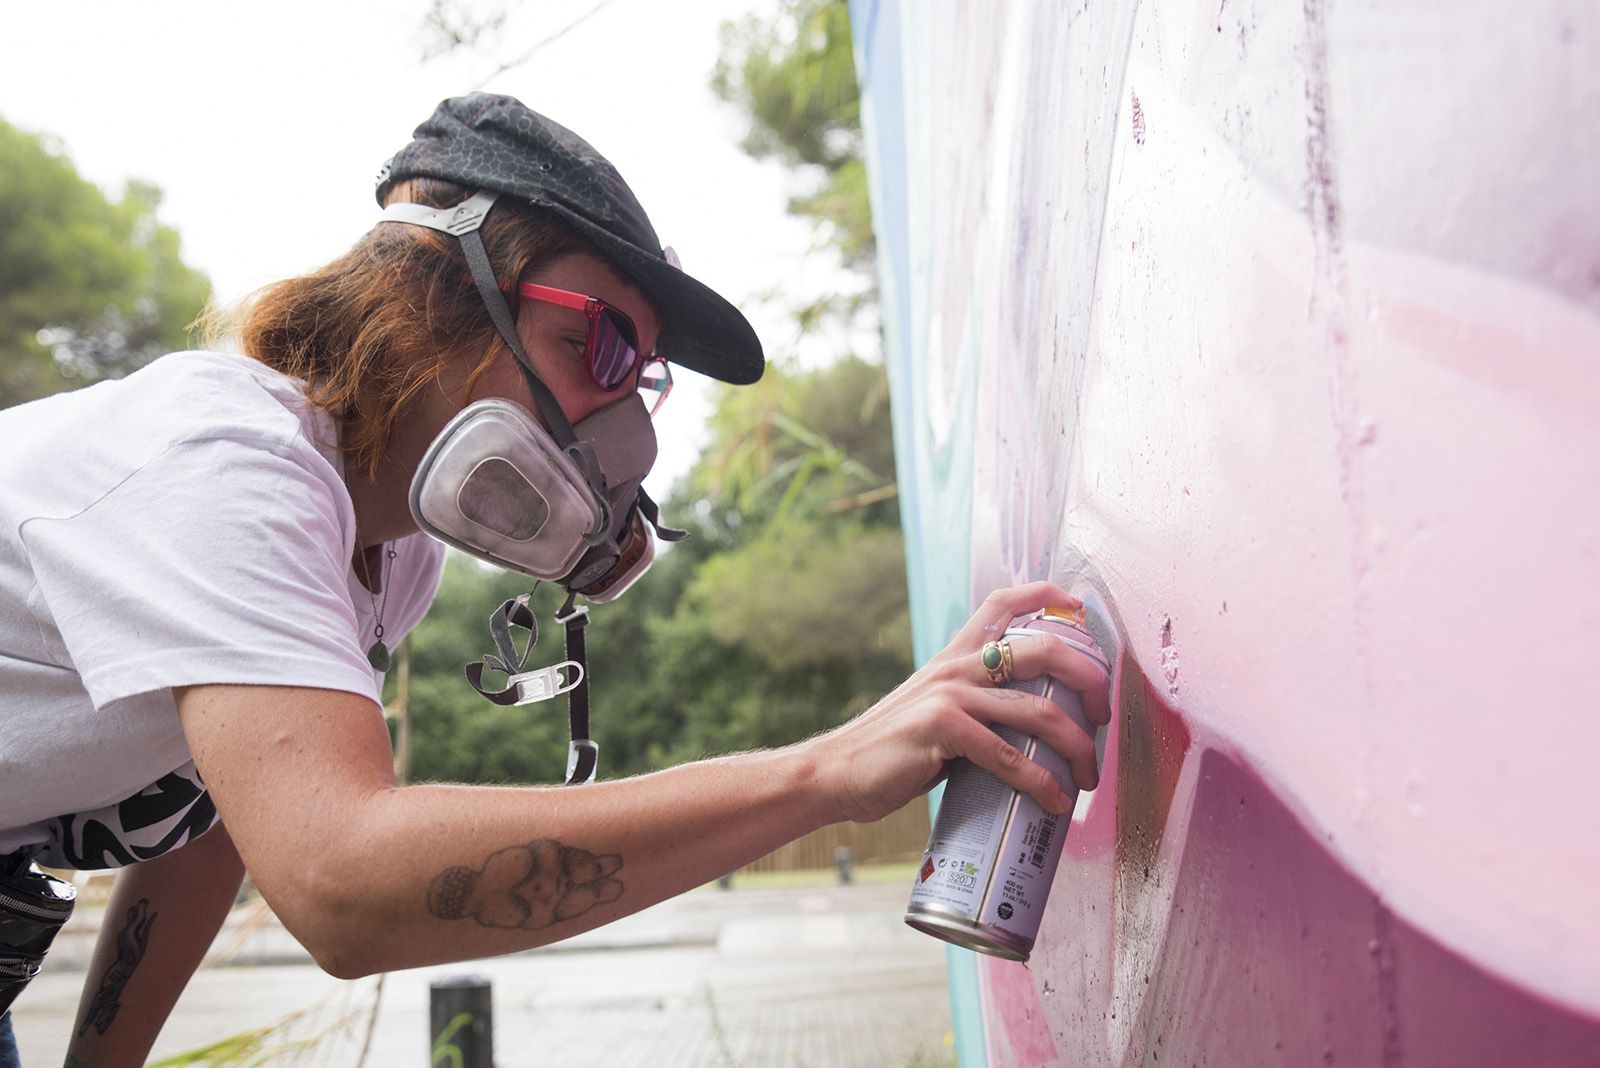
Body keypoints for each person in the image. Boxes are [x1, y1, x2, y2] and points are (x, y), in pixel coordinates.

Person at [0, 93, 1109, 1067]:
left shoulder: (388, 554)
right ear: (437, 288)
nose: (623, 430)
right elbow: (338, 882)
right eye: (606, 351)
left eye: (644, 381)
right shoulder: (225, 463)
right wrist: (823, 772)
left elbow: (221, 817)